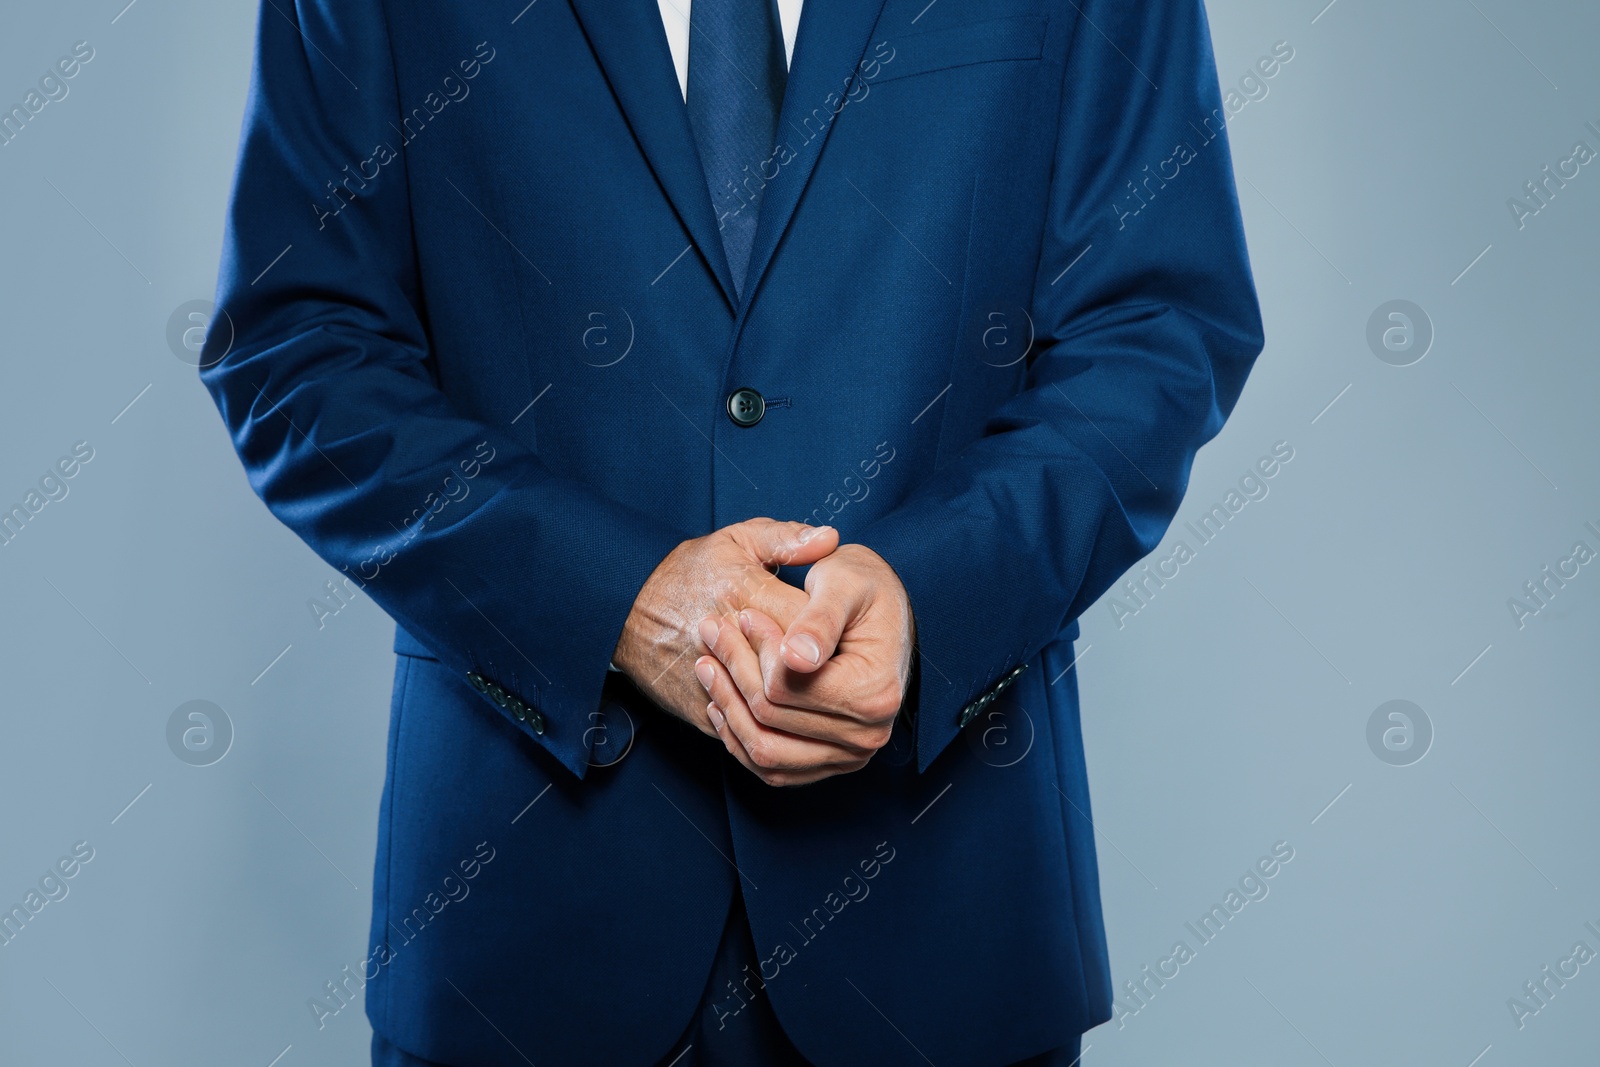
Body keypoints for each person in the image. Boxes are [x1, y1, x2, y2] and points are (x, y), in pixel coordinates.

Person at [200, 0, 1263, 1063]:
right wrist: (613, 594)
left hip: (945, 923)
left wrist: (925, 593)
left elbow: (1159, 327)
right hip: (523, 934)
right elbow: (295, 350)